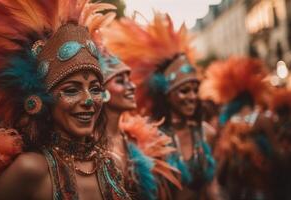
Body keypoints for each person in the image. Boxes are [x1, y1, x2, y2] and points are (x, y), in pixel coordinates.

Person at [0, 1, 131, 199]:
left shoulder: (110, 165)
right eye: (72, 90)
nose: (89, 100)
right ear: (40, 101)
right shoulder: (30, 169)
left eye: (95, 89)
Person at [102, 12, 217, 200]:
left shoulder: (206, 133)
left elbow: (212, 187)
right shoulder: (148, 137)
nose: (192, 97)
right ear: (166, 93)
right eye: (184, 90)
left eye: (195, 90)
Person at [99, 51, 181, 199]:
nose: (132, 86)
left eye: (129, 80)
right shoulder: (87, 144)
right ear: (101, 91)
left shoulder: (136, 140)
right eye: (120, 81)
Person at [200, 56, 275, 200]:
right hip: (257, 187)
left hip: (238, 187)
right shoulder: (261, 120)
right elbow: (276, 153)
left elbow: (220, 165)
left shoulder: (230, 124)